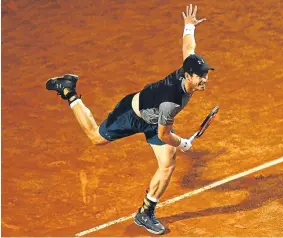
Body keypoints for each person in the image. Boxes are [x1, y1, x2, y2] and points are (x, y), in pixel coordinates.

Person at [45, 4, 213, 235]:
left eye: (206, 75)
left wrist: (188, 27)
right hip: (131, 115)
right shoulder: (171, 102)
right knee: (97, 138)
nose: (205, 80)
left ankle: (145, 213)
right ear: (187, 76)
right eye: (201, 77)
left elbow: (188, 47)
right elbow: (165, 134)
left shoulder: (188, 67)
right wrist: (183, 143)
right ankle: (68, 91)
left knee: (168, 164)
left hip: (154, 118)